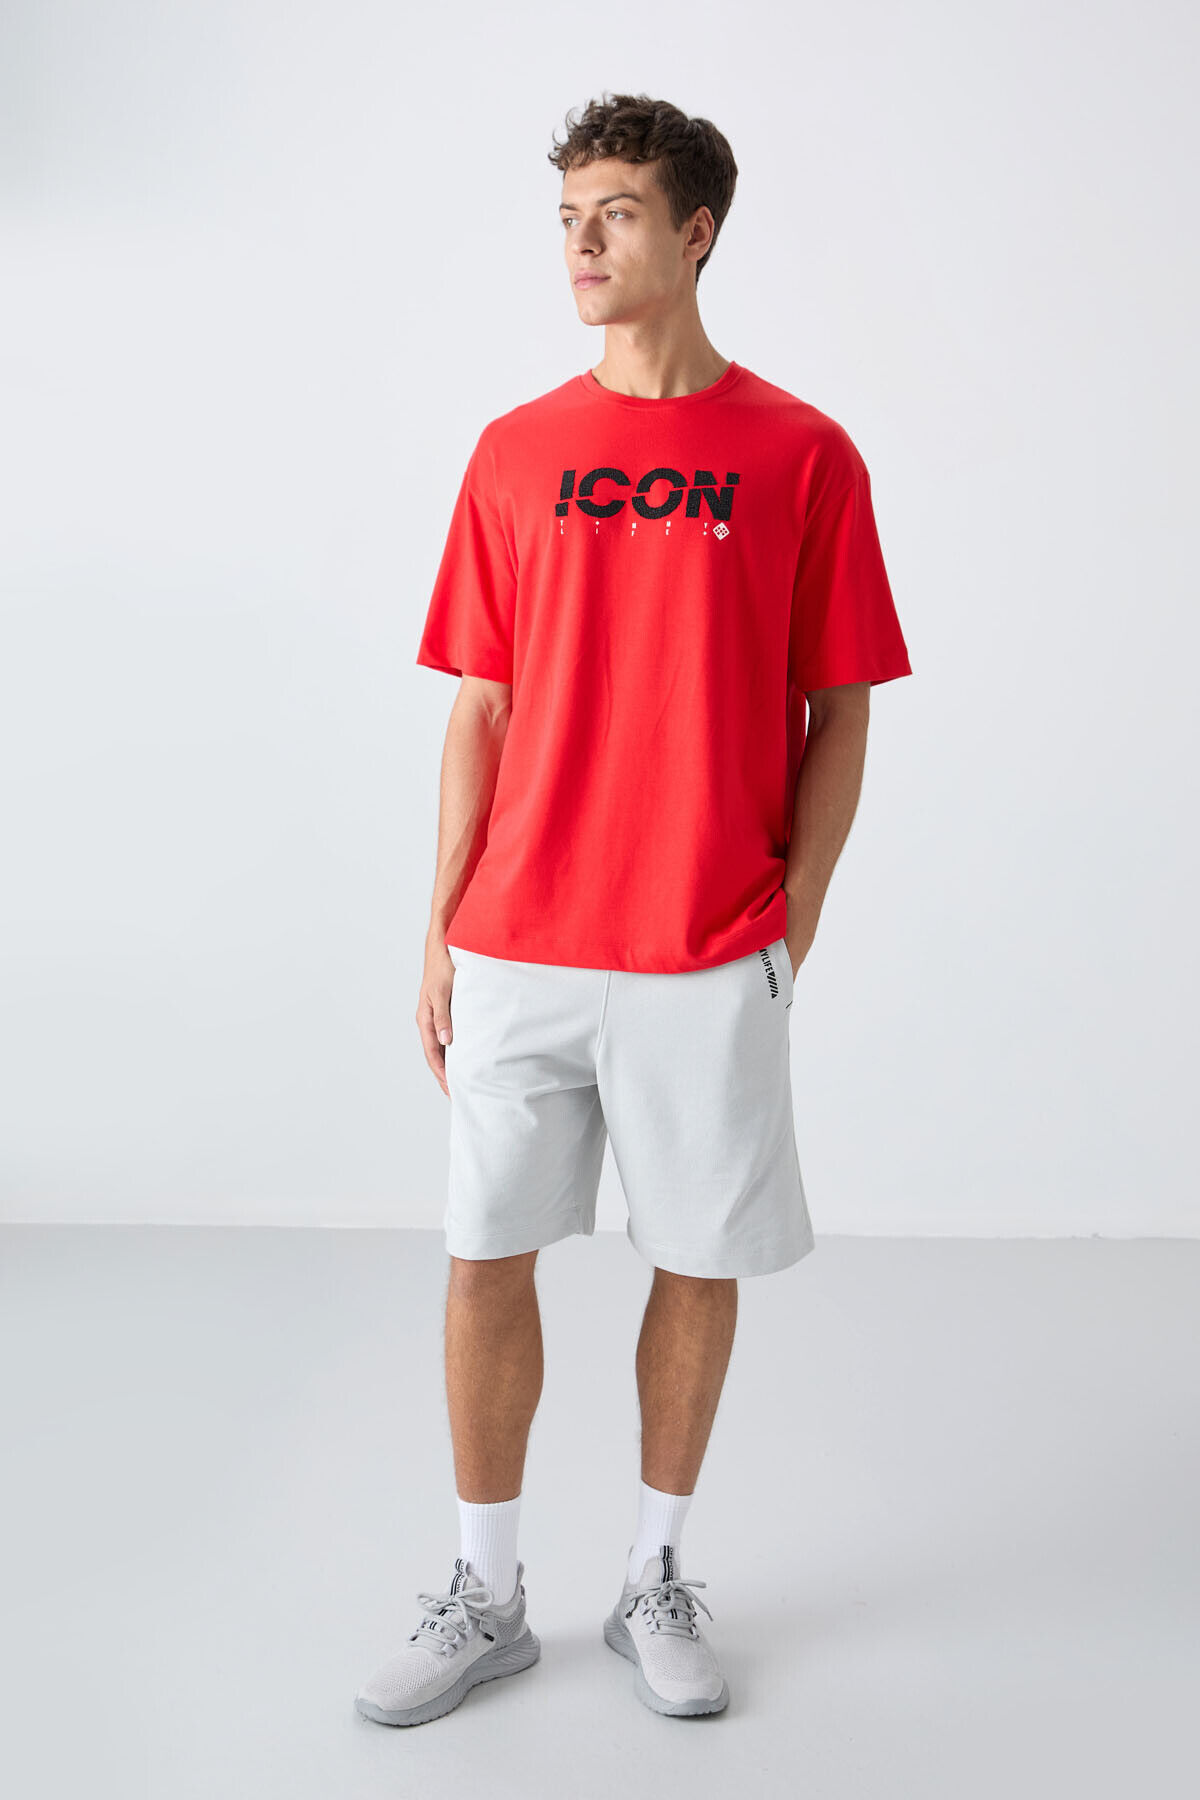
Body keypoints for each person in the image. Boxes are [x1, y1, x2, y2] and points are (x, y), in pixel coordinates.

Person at [355, 89, 913, 1729]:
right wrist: (439, 927)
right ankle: (486, 1592)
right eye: (567, 218)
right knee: (483, 1257)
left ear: (697, 232)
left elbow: (842, 707)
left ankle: (655, 1572)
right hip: (520, 935)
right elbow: (479, 706)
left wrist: (790, 917)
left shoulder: (803, 454)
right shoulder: (515, 452)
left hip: (705, 941)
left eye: (614, 213)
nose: (582, 245)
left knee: (695, 1256)